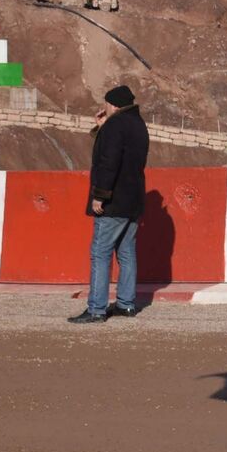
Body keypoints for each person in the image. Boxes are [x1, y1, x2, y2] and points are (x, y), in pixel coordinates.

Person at [68, 85, 149, 324]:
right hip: (134, 200)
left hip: (114, 200)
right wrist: (102, 127)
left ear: (112, 104)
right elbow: (123, 154)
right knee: (126, 253)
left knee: (100, 253)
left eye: (105, 104)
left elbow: (108, 161)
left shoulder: (115, 125)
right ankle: (126, 304)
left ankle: (96, 309)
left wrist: (100, 195)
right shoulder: (138, 125)